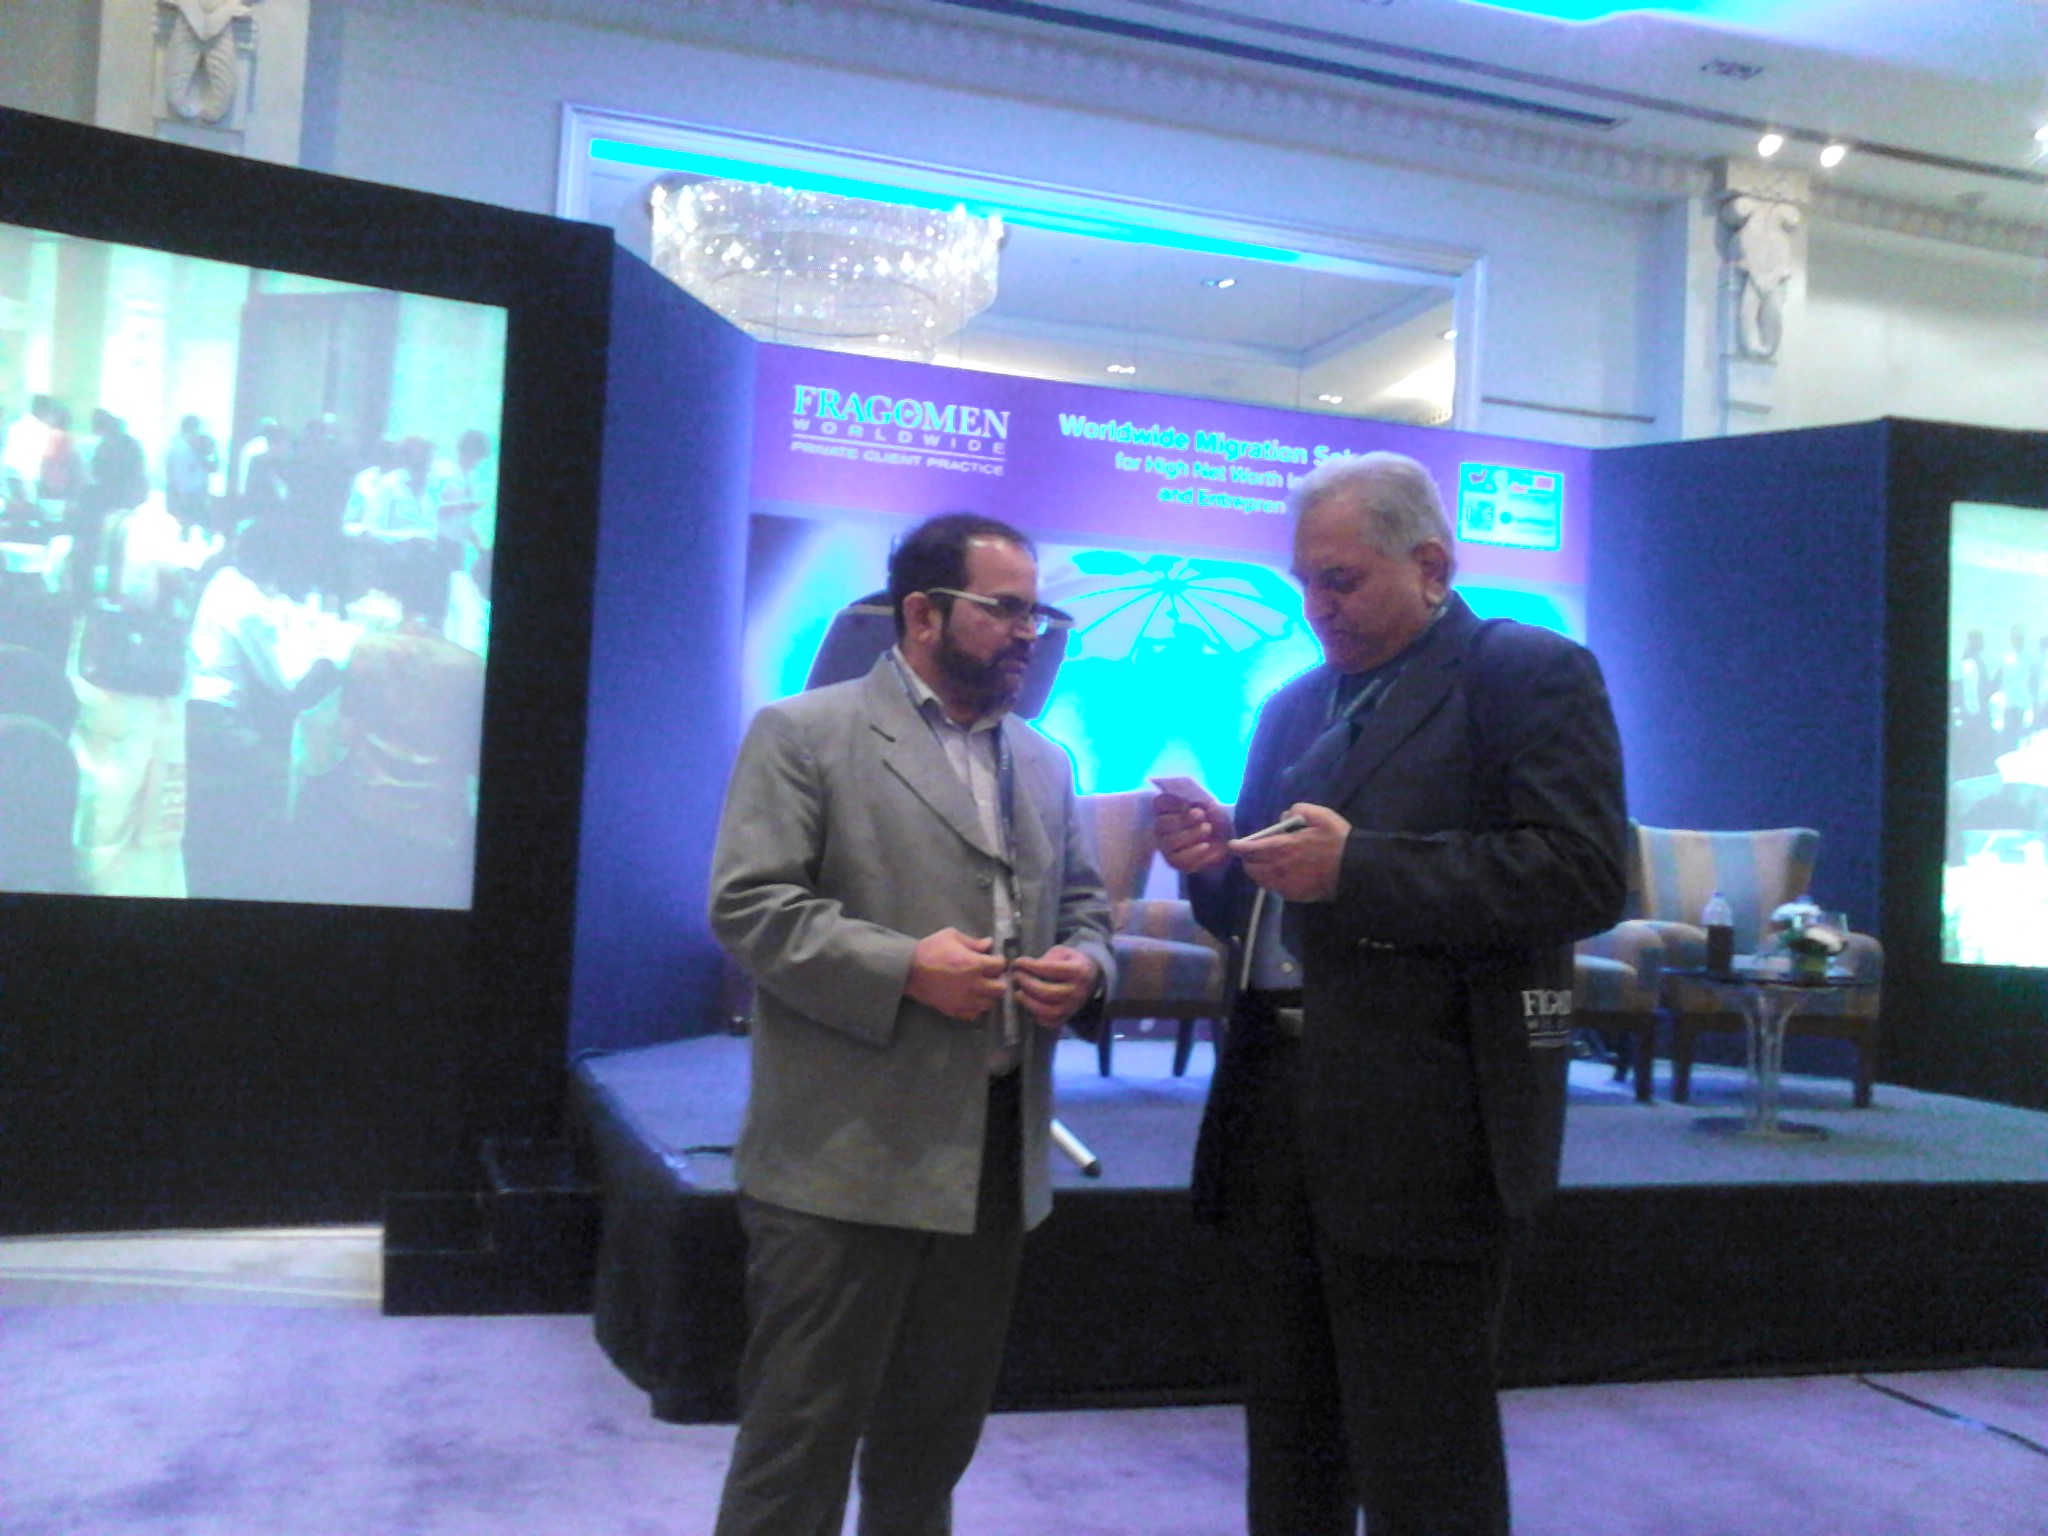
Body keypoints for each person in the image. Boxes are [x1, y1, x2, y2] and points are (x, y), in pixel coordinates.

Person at [1155, 451, 1627, 1536]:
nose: (1317, 608)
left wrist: (1358, 869)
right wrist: (1218, 866)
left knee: (1423, 1447)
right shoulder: (1292, 705)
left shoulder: (1525, 674)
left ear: (1431, 566)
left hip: (1428, 1121)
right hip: (1274, 1105)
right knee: (1290, 1435)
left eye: (1342, 581)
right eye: (1303, 583)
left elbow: (1583, 875)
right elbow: (1265, 908)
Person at [706, 511, 1114, 1536]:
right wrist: (903, 969)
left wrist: (1087, 966)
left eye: (1038, 613)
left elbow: (1086, 909)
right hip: (844, 1154)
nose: (1028, 633)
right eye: (1004, 609)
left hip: (993, 1158)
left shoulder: (1045, 759)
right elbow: (750, 907)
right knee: (796, 1447)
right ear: (923, 613)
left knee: (929, 1450)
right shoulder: (804, 733)